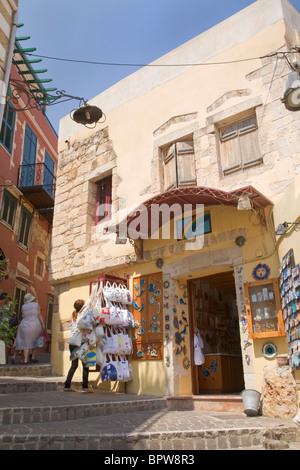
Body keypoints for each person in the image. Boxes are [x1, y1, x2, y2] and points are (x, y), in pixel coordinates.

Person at [64, 299, 92, 393]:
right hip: (81, 344)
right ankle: (85, 386)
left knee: (74, 365)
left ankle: (67, 385)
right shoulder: (83, 317)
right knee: (85, 365)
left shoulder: (72, 315)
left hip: (72, 343)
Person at [13, 293, 45, 364]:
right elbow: (39, 315)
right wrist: (43, 325)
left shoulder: (23, 306)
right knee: (35, 340)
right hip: (35, 323)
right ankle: (33, 357)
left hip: (24, 324)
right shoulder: (36, 305)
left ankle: (25, 360)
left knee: (25, 342)